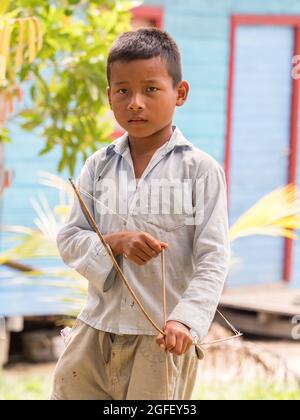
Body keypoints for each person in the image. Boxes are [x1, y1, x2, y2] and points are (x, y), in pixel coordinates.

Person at [51, 28, 230, 400]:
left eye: (151, 89)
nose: (135, 102)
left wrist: (185, 319)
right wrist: (114, 242)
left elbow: (213, 258)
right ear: (109, 97)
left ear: (180, 94)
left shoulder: (200, 170)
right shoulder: (98, 166)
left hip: (162, 338)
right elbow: (69, 239)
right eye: (123, 90)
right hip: (94, 332)